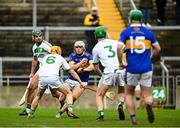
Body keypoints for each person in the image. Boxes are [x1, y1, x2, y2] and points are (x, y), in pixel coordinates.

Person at [117, 9, 161, 125]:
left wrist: (121, 62)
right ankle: (149, 104)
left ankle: (133, 117)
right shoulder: (148, 32)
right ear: (141, 19)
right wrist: (153, 58)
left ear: (130, 19)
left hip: (131, 68)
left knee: (129, 94)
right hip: (146, 67)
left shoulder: (125, 32)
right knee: (147, 94)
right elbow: (158, 49)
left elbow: (118, 48)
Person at [27, 46, 85, 118]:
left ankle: (30, 113)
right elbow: (71, 71)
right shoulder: (60, 58)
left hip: (43, 77)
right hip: (53, 77)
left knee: (38, 96)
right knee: (69, 93)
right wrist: (80, 82)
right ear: (59, 52)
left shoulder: (46, 57)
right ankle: (70, 109)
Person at [19, 29, 60, 116]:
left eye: (40, 36)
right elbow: (35, 60)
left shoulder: (47, 46)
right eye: (36, 37)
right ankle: (27, 109)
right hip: (41, 70)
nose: (38, 38)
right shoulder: (34, 47)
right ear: (33, 38)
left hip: (49, 70)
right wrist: (32, 72)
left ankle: (66, 105)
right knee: (31, 88)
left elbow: (56, 56)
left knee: (55, 94)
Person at [92, 26, 125, 122]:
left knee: (99, 94)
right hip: (121, 70)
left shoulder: (96, 48)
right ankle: (120, 105)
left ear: (95, 36)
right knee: (122, 90)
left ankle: (101, 115)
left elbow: (95, 68)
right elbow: (125, 49)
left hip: (109, 71)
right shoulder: (116, 42)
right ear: (106, 34)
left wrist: (101, 75)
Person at [55, 41, 94, 118]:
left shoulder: (89, 56)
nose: (78, 49)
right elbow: (71, 67)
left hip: (82, 82)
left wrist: (83, 70)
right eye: (76, 47)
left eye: (80, 47)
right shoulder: (72, 56)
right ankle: (68, 110)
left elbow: (92, 67)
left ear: (83, 48)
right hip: (70, 80)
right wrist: (81, 63)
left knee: (73, 97)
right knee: (61, 99)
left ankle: (60, 112)